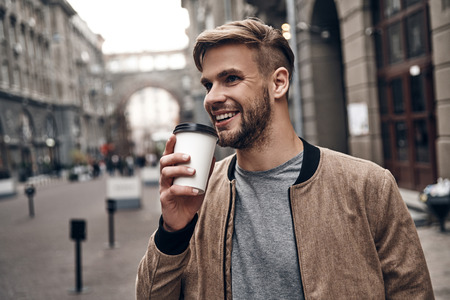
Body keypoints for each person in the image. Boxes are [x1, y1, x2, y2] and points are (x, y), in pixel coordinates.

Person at [136, 18, 434, 299]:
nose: (212, 97)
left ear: (278, 83)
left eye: (230, 78)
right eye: (208, 84)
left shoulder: (368, 186)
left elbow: (412, 292)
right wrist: (173, 232)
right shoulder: (197, 195)